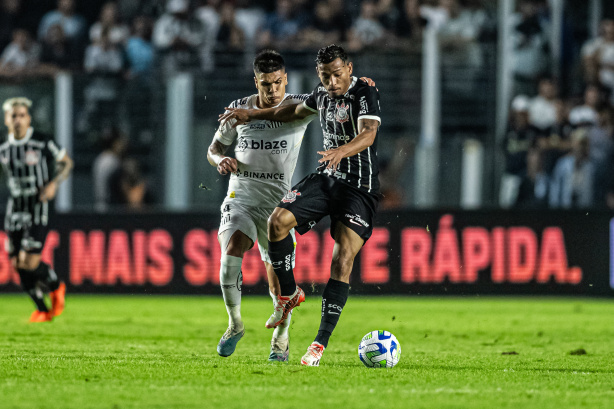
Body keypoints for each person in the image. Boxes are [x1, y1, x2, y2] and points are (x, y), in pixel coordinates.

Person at [219, 44, 381, 366]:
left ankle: (319, 344)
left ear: (349, 68)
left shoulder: (364, 91)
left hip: (359, 188)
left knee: (342, 259)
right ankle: (289, 295)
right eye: (325, 76)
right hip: (327, 177)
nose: (332, 82)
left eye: (337, 74)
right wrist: (251, 115)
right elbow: (287, 112)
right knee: (277, 221)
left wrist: (341, 151)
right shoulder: (320, 95)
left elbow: (369, 133)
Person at [207, 50, 314, 361]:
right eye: (266, 84)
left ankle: (280, 340)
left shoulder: (296, 106)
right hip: (241, 195)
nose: (272, 90)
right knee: (230, 255)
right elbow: (214, 147)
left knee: (279, 281)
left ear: (286, 80)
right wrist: (220, 159)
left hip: (278, 206)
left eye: (277, 83)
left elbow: (326, 100)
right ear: (256, 82)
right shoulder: (238, 108)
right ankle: (235, 324)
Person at [0, 97, 73, 322]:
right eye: (14, 116)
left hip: (37, 207)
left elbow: (66, 162)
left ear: (29, 118)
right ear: (6, 120)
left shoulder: (42, 141)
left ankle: (55, 285)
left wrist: (53, 183)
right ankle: (42, 309)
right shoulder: (3, 149)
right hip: (15, 208)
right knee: (16, 263)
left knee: (29, 261)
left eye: (22, 115)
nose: (18, 120)